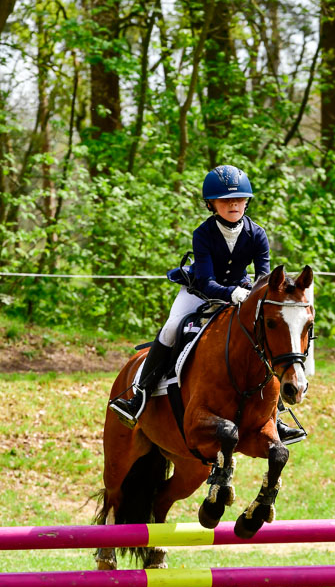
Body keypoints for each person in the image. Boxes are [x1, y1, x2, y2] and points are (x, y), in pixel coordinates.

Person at [109, 164, 306, 444]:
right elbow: (205, 279)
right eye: (226, 200)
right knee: (171, 328)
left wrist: (249, 293)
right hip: (200, 292)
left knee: (263, 338)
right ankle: (139, 396)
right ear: (212, 204)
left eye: (239, 199)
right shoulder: (203, 233)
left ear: (247, 201)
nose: (234, 204)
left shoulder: (257, 234)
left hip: (244, 293)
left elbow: (265, 277)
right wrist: (232, 294)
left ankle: (276, 414)